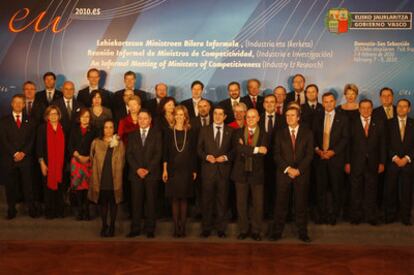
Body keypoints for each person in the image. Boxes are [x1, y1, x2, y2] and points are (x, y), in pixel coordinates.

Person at [270, 107, 314, 242]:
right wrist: (288, 169)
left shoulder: (308, 133)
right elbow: (276, 155)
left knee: (301, 204)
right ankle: (277, 232)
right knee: (281, 204)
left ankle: (302, 232)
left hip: (302, 173)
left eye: (292, 115)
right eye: (287, 115)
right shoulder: (279, 133)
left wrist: (298, 170)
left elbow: (309, 154)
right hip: (284, 174)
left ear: (298, 117)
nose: (289, 118)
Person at [347, 99, 385, 225]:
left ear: (372, 109)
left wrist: (382, 162)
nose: (366, 110)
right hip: (356, 163)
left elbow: (383, 145)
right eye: (363, 107)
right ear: (359, 109)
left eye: (368, 107)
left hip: (373, 163)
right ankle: (356, 216)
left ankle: (370, 216)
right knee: (355, 191)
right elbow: (348, 145)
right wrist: (347, 162)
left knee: (371, 191)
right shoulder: (352, 123)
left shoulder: (379, 123)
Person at [231, 109, 268, 241]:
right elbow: (238, 149)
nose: (250, 119)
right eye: (248, 117)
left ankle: (256, 231)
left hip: (257, 173)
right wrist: (256, 149)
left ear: (258, 118)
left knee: (258, 204)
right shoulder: (238, 132)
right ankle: (243, 230)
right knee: (241, 204)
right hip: (240, 173)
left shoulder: (264, 134)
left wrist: (245, 149)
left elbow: (264, 152)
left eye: (253, 117)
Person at [197, 106, 234, 238]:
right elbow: (199, 149)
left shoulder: (231, 130)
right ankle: (206, 228)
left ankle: (221, 229)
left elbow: (234, 150)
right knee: (206, 201)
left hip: (224, 171)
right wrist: (207, 156)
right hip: (208, 171)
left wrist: (225, 157)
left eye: (220, 114)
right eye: (215, 114)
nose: (217, 116)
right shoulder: (204, 130)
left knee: (222, 201)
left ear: (224, 117)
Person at [313, 92, 349, 225]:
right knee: (320, 190)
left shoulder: (343, 118)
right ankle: (322, 215)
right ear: (323, 103)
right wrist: (317, 150)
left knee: (336, 189)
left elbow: (345, 138)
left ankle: (333, 215)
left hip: (336, 159)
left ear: (335, 102)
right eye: (326, 101)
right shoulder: (317, 117)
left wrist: (333, 152)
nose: (328, 104)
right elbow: (312, 136)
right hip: (320, 158)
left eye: (331, 101)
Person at [126, 110, 163, 238]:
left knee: (151, 202)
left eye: (145, 118)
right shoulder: (131, 135)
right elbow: (129, 154)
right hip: (135, 174)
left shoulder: (157, 134)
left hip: (151, 174)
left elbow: (158, 154)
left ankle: (150, 229)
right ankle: (135, 228)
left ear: (150, 120)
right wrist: (137, 169)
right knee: (136, 202)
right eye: (140, 118)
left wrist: (148, 169)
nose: (142, 121)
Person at [162, 106, 197, 237]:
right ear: (174, 116)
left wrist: (194, 169)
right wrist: (164, 170)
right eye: (177, 114)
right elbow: (165, 152)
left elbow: (193, 153)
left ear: (185, 116)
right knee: (175, 199)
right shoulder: (169, 132)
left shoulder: (191, 131)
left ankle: (183, 227)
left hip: (187, 169)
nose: (179, 117)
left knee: (184, 199)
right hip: (172, 169)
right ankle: (176, 227)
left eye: (181, 114)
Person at [0, 94, 36, 219]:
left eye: (21, 102)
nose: (18, 104)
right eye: (15, 102)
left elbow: (32, 140)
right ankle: (11, 209)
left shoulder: (30, 120)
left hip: (26, 158)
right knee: (10, 186)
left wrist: (23, 153)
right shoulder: (3, 121)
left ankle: (31, 208)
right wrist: (15, 153)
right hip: (9, 159)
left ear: (24, 104)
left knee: (28, 185)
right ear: (11, 104)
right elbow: (3, 140)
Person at [89, 119, 126, 237]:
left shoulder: (119, 143)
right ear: (103, 129)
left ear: (114, 129)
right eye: (106, 127)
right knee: (103, 203)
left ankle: (112, 226)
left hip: (114, 177)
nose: (108, 130)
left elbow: (123, 160)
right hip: (101, 177)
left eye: (111, 127)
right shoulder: (96, 142)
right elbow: (91, 158)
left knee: (113, 203)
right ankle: (104, 225)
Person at [384, 99, 414, 226]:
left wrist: (407, 158)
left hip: (408, 163)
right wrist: (395, 158)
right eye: (399, 106)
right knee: (391, 190)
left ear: (409, 109)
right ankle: (390, 215)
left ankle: (405, 216)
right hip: (392, 163)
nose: (401, 109)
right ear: (396, 108)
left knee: (406, 191)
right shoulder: (388, 124)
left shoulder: (413, 123)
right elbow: (385, 143)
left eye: (405, 106)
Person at [37, 105, 66, 219]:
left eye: (55, 114)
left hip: (60, 164)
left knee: (60, 188)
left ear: (59, 115)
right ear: (47, 116)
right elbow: (38, 147)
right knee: (48, 189)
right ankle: (50, 212)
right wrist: (42, 163)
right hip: (47, 163)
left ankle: (60, 211)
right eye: (51, 114)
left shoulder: (63, 128)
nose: (53, 116)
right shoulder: (42, 128)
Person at [67, 108, 96, 220]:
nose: (85, 119)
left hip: (89, 161)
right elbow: (70, 145)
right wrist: (78, 156)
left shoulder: (94, 130)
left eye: (87, 116)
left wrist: (88, 157)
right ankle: (80, 210)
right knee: (78, 187)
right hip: (76, 161)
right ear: (79, 118)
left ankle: (87, 210)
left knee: (87, 187)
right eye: (83, 116)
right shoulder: (74, 129)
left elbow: (96, 146)